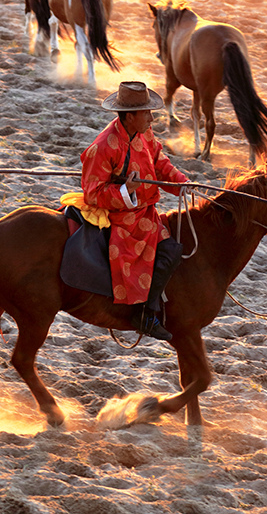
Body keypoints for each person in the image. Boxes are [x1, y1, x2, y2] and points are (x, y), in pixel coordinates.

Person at [80, 81, 189, 340]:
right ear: (130, 117)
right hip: (121, 216)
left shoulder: (145, 133)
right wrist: (124, 190)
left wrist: (182, 183)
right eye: (146, 113)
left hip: (145, 211)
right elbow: (92, 193)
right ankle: (145, 315)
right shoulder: (103, 146)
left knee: (172, 249)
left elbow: (159, 161)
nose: (151, 118)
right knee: (166, 252)